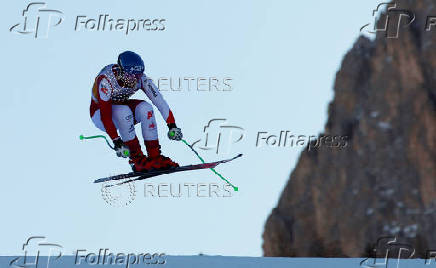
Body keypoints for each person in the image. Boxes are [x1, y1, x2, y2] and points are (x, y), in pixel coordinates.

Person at [90, 51, 182, 172]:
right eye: (130, 75)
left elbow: (159, 101)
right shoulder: (106, 80)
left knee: (146, 108)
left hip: (121, 108)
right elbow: (105, 115)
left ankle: (155, 157)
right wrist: (116, 141)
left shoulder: (141, 78)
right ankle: (136, 159)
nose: (134, 79)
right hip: (100, 114)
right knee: (123, 111)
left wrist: (172, 125)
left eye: (138, 75)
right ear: (121, 70)